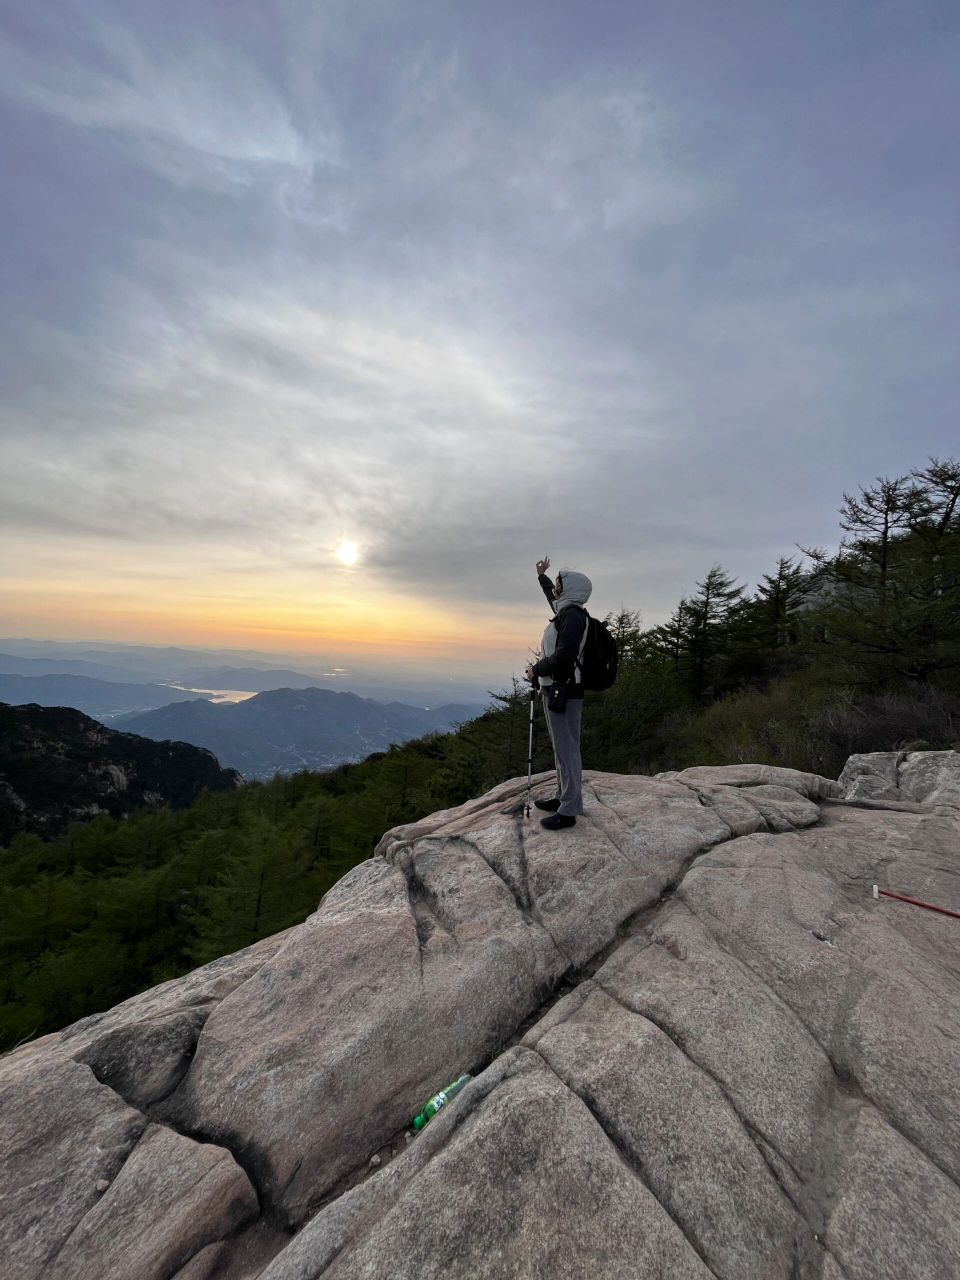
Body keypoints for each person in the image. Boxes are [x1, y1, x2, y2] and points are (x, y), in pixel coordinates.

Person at [524, 555, 592, 831]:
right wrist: (541, 575)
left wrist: (536, 669)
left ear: (571, 589)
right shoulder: (566, 611)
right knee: (561, 748)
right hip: (556, 687)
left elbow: (564, 656)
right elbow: (550, 598)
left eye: (560, 584)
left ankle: (569, 810)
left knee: (567, 749)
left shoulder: (573, 616)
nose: (556, 587)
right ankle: (564, 797)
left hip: (563, 688)